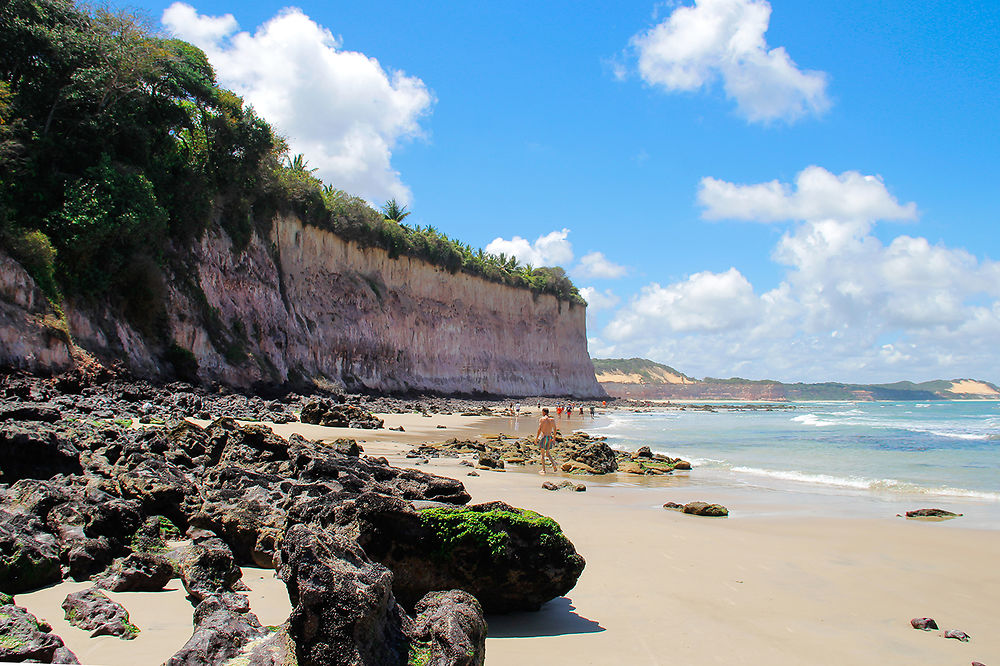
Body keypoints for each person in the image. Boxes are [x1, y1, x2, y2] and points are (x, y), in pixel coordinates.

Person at [535, 407, 558, 475]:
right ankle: (553, 464)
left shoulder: (542, 419)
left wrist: (536, 439)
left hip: (544, 437)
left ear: (544, 412)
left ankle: (543, 470)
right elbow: (555, 429)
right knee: (547, 453)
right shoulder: (552, 420)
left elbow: (539, 429)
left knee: (542, 454)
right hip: (550, 437)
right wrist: (554, 438)